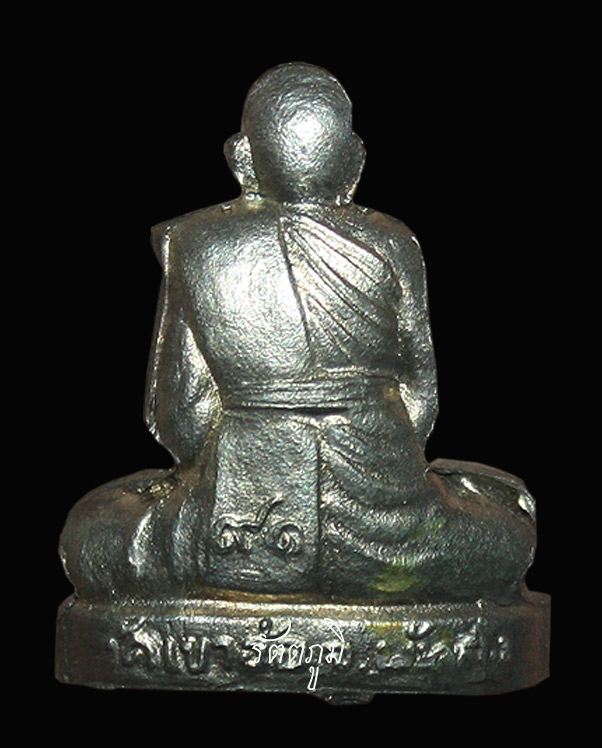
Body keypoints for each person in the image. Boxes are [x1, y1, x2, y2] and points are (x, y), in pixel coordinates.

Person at [60, 63, 536, 604]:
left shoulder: (195, 244)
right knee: (508, 527)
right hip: (388, 533)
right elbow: (420, 407)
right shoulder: (393, 243)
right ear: (354, 160)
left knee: (93, 533)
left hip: (235, 533)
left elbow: (180, 423)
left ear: (241, 158)